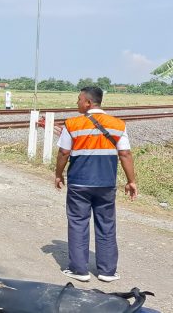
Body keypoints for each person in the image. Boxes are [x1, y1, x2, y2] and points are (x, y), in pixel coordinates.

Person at [55, 87, 138, 283]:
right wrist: (131, 181)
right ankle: (107, 272)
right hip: (106, 184)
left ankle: (78, 270)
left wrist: (58, 175)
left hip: (79, 183)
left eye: (79, 100)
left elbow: (63, 153)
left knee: (77, 223)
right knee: (106, 225)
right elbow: (125, 154)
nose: (77, 103)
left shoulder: (72, 124)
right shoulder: (118, 125)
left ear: (88, 103)